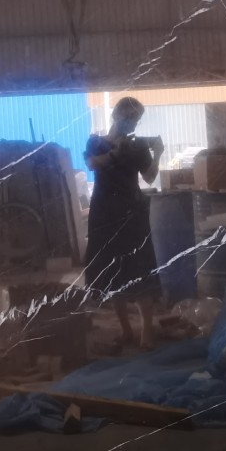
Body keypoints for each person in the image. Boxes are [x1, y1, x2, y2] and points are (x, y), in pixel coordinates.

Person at [83, 97, 164, 349]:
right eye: (129, 118)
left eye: (136, 120)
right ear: (116, 115)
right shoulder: (96, 142)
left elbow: (149, 177)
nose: (132, 124)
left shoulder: (137, 146)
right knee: (112, 270)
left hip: (131, 212)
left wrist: (158, 153)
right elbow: (92, 164)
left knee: (139, 267)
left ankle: (146, 332)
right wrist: (117, 152)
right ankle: (126, 330)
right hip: (105, 213)